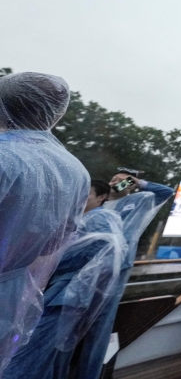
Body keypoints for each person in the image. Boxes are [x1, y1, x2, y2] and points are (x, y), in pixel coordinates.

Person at [0, 72, 90, 374]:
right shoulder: (76, 172)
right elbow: (54, 242)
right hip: (9, 296)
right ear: (57, 113)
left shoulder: (4, 155)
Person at [5, 180, 127, 379]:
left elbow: (100, 254)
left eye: (86, 193)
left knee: (30, 353)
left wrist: (43, 260)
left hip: (67, 297)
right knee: (46, 355)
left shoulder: (101, 220)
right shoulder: (82, 220)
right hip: (64, 295)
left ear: (101, 197)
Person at [73, 169, 175, 379]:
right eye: (113, 179)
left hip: (117, 268)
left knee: (100, 324)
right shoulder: (100, 203)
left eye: (121, 181)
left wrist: (140, 183)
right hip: (87, 265)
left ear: (130, 184)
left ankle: (89, 374)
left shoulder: (141, 200)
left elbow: (166, 192)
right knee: (74, 317)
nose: (114, 183)